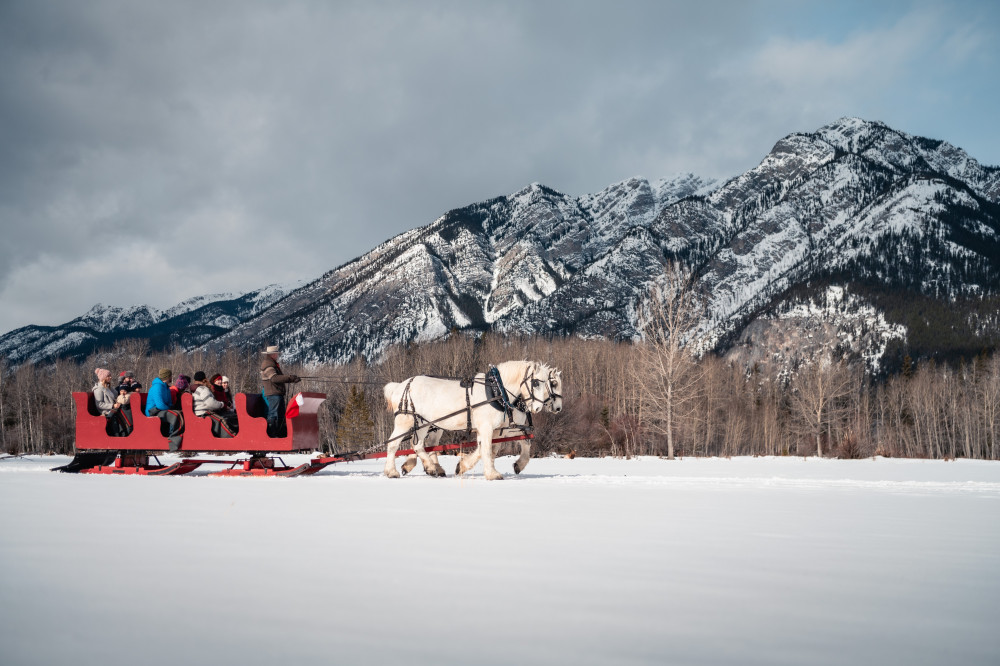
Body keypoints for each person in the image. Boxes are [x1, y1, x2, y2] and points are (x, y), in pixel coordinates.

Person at [259, 345, 300, 437]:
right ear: (272, 354)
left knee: (280, 415)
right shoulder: (268, 364)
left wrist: (291, 379)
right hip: (273, 393)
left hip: (277, 393)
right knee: (273, 414)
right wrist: (290, 378)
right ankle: (272, 435)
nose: (277, 355)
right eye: (276, 353)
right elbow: (274, 378)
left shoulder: (271, 363)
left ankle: (279, 434)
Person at [146, 368, 183, 451]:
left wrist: (172, 408)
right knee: (173, 415)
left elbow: (169, 402)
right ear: (167, 377)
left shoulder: (166, 387)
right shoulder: (157, 387)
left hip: (161, 410)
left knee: (178, 413)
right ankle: (171, 436)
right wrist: (170, 409)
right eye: (170, 376)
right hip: (153, 411)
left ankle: (177, 434)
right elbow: (160, 404)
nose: (171, 378)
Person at [192, 371, 238, 437]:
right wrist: (221, 404)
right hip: (204, 413)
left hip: (200, 412)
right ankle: (232, 436)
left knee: (230, 417)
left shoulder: (196, 389)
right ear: (204, 379)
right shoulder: (203, 389)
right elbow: (211, 403)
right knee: (222, 421)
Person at [93, 368, 131, 436]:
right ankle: (119, 435)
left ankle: (127, 430)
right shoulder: (98, 389)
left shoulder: (108, 387)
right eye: (108, 376)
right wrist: (113, 405)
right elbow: (99, 404)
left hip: (114, 408)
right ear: (104, 378)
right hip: (107, 412)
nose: (110, 377)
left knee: (126, 409)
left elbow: (117, 394)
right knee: (119, 416)